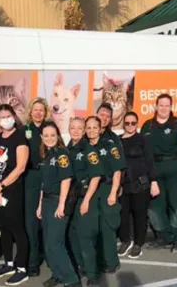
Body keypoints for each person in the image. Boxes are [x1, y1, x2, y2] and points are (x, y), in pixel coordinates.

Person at [140, 93, 177, 253]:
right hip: (155, 172)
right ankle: (165, 237)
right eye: (161, 105)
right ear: (156, 106)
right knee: (154, 208)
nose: (163, 108)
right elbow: (143, 152)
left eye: (167, 105)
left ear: (170, 107)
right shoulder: (148, 127)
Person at [0, 104, 29, 285]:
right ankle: (9, 263)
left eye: (8, 115)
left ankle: (21, 268)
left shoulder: (20, 137)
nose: (6, 119)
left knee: (17, 228)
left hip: (12, 190)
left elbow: (20, 168)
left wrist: (1, 185)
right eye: (2, 117)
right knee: (3, 228)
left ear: (14, 116)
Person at [36, 121, 82, 287]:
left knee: (56, 243)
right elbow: (43, 183)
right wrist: (40, 205)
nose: (49, 138)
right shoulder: (47, 154)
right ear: (41, 137)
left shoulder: (61, 153)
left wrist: (61, 205)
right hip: (47, 201)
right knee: (48, 243)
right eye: (46, 135)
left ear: (58, 136)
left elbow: (66, 179)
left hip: (57, 201)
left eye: (53, 135)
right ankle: (57, 274)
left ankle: (71, 280)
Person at [85, 116, 125, 274]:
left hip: (106, 187)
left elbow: (117, 170)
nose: (91, 131)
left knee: (107, 227)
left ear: (100, 128)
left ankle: (111, 262)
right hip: (91, 189)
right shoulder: (84, 146)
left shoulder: (109, 145)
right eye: (88, 127)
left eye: (95, 127)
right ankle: (99, 260)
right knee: (94, 227)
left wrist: (114, 192)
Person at [117, 112, 160, 259]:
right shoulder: (118, 141)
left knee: (140, 216)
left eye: (133, 123)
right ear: (123, 123)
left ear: (137, 123)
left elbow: (150, 161)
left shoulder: (142, 139)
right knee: (123, 215)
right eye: (127, 123)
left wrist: (154, 181)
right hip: (123, 185)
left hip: (140, 184)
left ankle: (138, 244)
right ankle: (126, 241)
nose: (130, 126)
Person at [67, 117, 103, 286]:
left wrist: (86, 201)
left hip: (85, 197)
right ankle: (81, 265)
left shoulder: (88, 150)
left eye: (79, 128)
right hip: (72, 199)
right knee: (73, 235)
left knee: (85, 237)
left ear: (84, 131)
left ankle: (93, 274)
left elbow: (96, 176)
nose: (75, 131)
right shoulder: (67, 148)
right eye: (72, 127)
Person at [23, 97, 51, 277]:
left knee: (48, 219)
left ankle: (50, 255)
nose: (38, 112)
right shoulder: (25, 130)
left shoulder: (50, 129)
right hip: (31, 177)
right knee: (32, 221)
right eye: (35, 109)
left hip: (48, 174)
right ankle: (33, 261)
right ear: (30, 111)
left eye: (41, 109)